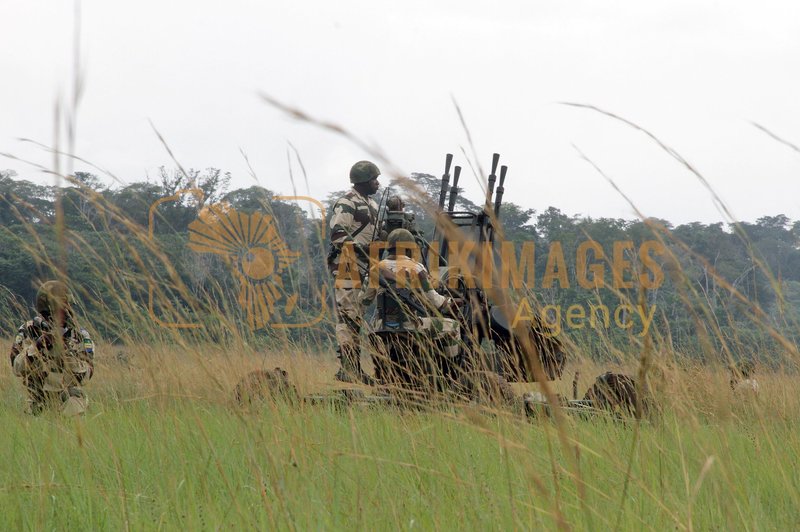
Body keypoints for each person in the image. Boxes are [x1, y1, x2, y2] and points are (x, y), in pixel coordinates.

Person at [361, 228, 461, 387]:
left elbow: (363, 302)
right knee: (453, 326)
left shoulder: (376, 269)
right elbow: (436, 301)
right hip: (411, 326)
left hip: (381, 328)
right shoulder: (417, 268)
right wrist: (452, 302)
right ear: (409, 248)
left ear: (390, 248)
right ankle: (452, 375)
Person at [327, 160, 382, 383]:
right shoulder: (347, 202)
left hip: (368, 266)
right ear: (363, 180)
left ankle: (354, 368)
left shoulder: (373, 204)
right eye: (374, 179)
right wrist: (364, 249)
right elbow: (338, 235)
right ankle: (349, 368)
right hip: (348, 264)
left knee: (357, 315)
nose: (377, 183)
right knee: (348, 314)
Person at [8, 280, 95, 415]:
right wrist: (37, 347)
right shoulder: (29, 330)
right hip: (37, 397)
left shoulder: (79, 335)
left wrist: (66, 352)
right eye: (62, 308)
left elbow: (86, 375)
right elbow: (16, 368)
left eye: (68, 307)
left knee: (75, 409)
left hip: (69, 399)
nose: (67, 312)